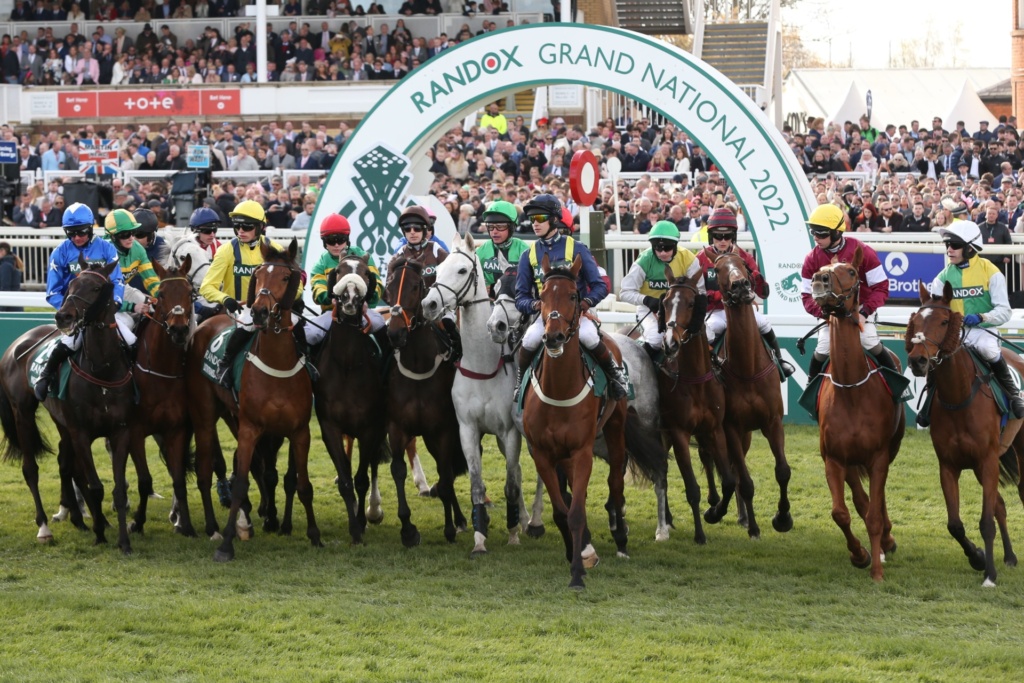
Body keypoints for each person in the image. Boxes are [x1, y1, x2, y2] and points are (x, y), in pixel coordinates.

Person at [513, 193, 627, 400]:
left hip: (577, 315)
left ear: (554, 220)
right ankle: (520, 381)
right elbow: (520, 296)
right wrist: (535, 305)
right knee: (529, 339)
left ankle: (616, 376)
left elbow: (599, 285)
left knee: (589, 336)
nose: (535, 224)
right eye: (532, 219)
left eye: (540, 218)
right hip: (546, 317)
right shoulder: (527, 255)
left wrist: (585, 303)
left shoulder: (577, 248)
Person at [199, 200, 306, 388]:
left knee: (298, 325)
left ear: (260, 227)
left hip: (272, 309)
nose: (241, 230)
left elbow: (295, 284)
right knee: (248, 324)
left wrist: (287, 301)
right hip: (242, 310)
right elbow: (207, 287)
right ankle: (224, 365)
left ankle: (307, 364)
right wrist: (226, 299)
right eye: (237, 226)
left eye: (247, 226)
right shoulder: (227, 251)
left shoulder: (274, 249)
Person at [929, 221, 1024, 418]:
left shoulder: (991, 272)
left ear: (970, 248)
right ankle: (928, 404)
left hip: (982, 331)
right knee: (934, 359)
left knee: (989, 351)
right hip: (955, 334)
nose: (949, 250)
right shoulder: (941, 278)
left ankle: (1014, 395)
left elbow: (1004, 312)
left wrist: (982, 317)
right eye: (947, 245)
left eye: (954, 245)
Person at [33, 203, 126, 401]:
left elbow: (118, 280)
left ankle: (136, 384)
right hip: (76, 315)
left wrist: (116, 303)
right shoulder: (60, 253)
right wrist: (69, 312)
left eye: (81, 232)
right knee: (69, 343)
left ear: (91, 228)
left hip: (104, 311)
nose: (76, 237)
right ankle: (46, 376)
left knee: (131, 341)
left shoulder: (107, 248)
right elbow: (53, 292)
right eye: (71, 233)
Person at [801, 204, 896, 385]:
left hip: (860, 308)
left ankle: (896, 384)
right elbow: (806, 296)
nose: (816, 238)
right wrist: (824, 314)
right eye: (813, 232)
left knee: (868, 340)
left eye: (821, 234)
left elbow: (881, 287)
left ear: (837, 233)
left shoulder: (863, 251)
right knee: (822, 349)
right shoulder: (811, 259)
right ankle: (810, 388)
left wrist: (864, 313)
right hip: (829, 312)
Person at [696, 208, 794, 379]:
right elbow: (699, 291)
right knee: (708, 331)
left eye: (727, 236)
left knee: (764, 323)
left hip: (742, 309)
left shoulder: (744, 256)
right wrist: (718, 296)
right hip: (717, 311)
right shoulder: (701, 258)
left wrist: (757, 280)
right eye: (718, 236)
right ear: (712, 236)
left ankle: (779, 361)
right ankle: (707, 371)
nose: (723, 240)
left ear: (733, 236)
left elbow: (757, 286)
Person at [618, 220, 705, 365]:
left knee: (708, 335)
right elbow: (625, 292)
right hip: (649, 309)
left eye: (668, 248)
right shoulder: (644, 260)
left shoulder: (689, 259)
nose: (663, 253)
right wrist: (647, 300)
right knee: (656, 339)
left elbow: (701, 291)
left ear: (676, 246)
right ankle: (647, 374)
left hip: (681, 309)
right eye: (658, 249)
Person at [388, 205, 461, 361]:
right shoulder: (399, 254)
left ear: (425, 230)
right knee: (388, 332)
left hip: (437, 308)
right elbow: (389, 285)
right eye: (408, 229)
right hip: (407, 310)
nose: (412, 232)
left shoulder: (436, 249)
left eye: (416, 228)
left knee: (449, 324)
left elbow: (453, 275)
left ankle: (457, 359)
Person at [306, 213, 386, 351]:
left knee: (380, 324)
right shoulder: (320, 264)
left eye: (341, 239)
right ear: (324, 242)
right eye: (331, 240)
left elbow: (377, 284)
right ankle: (312, 369)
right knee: (310, 334)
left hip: (362, 311)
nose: (336, 244)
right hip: (333, 312)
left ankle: (388, 366)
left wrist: (366, 300)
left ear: (347, 239)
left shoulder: (363, 256)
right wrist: (329, 299)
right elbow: (317, 289)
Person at [103, 209, 161, 347]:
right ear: (112, 236)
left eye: (133, 232)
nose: (131, 238)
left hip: (123, 289)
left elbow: (151, 279)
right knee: (129, 322)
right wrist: (132, 307)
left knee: (154, 309)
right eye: (125, 234)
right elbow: (104, 297)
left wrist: (161, 296)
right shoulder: (103, 252)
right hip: (104, 297)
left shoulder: (138, 249)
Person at [474, 200, 529, 288]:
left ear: (512, 227)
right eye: (490, 226)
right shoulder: (480, 251)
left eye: (500, 226)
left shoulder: (524, 250)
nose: (494, 232)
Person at [0, 241, 25, 312]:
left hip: (9, 308)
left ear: (2, 251)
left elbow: (5, 289)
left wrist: (1, 310)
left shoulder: (6, 266)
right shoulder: (12, 263)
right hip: (14, 306)